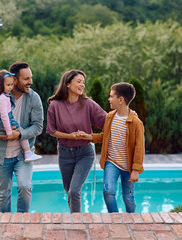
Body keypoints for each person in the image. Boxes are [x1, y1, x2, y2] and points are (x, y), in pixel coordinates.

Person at [0, 62, 43, 212]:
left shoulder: (34, 98)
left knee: (25, 186)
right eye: (26, 79)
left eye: (31, 78)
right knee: (3, 193)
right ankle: (5, 224)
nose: (31, 82)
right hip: (1, 155)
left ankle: (22, 221)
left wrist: (19, 134)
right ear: (14, 79)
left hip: (23, 154)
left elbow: (38, 127)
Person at [77, 82, 145, 213]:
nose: (109, 99)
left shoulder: (136, 123)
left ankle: (132, 219)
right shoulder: (110, 117)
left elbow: (139, 148)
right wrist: (88, 136)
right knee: (108, 191)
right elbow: (105, 136)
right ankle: (115, 218)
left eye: (111, 96)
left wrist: (136, 170)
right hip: (111, 162)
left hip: (128, 166)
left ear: (121, 100)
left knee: (128, 198)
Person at [46, 69, 107, 213]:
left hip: (84, 153)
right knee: (69, 192)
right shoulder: (55, 105)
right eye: (79, 81)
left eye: (83, 82)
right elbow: (52, 131)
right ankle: (74, 221)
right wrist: (70, 136)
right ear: (68, 83)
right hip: (64, 153)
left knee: (74, 191)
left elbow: (107, 122)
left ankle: (77, 223)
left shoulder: (88, 104)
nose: (82, 85)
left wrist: (126, 114)